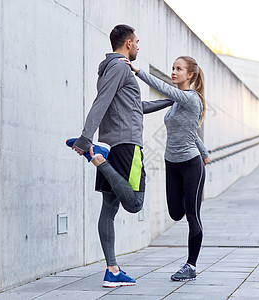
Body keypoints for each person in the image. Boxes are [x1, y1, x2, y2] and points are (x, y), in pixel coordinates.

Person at [71, 24, 172, 287]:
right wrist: (85, 138)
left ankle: (112, 271)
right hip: (126, 146)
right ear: (127, 43)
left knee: (109, 208)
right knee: (135, 202)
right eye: (137, 42)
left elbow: (135, 106)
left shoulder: (111, 70)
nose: (138, 46)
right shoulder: (120, 67)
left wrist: (170, 100)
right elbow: (101, 102)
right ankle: (98, 159)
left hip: (111, 142)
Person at [123, 56, 211, 281]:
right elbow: (190, 129)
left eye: (178, 69)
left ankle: (191, 265)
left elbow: (162, 88)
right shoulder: (178, 102)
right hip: (171, 163)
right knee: (175, 212)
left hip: (191, 165)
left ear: (190, 75)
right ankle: (190, 202)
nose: (173, 72)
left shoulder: (190, 98)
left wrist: (139, 71)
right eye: (172, 68)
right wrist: (205, 150)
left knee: (192, 215)